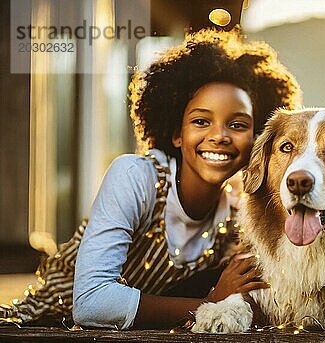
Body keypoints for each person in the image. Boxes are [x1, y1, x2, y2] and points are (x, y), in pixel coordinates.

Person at [0, 28, 301, 330]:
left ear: (256, 140)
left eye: (237, 124)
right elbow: (91, 303)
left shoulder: (237, 216)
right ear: (176, 133)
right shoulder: (135, 177)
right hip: (41, 327)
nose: (219, 136)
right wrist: (211, 303)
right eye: (200, 121)